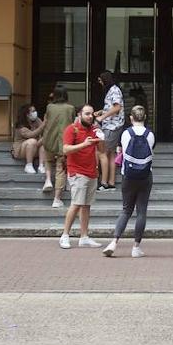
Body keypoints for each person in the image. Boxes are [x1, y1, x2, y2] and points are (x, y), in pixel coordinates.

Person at [104, 106, 156, 258]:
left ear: (131, 118)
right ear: (145, 117)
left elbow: (121, 153)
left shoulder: (125, 133)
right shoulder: (150, 135)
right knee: (141, 212)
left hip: (128, 176)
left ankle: (114, 242)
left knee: (126, 210)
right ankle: (136, 247)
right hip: (146, 176)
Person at [59, 105, 104, 249]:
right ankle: (65, 235)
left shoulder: (93, 129)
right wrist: (84, 144)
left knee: (86, 205)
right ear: (79, 115)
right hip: (77, 172)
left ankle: (84, 236)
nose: (90, 116)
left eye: (91, 114)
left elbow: (102, 151)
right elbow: (66, 149)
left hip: (91, 171)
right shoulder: (71, 129)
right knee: (76, 203)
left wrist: (101, 138)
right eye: (87, 114)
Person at [40, 86, 74, 205]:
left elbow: (46, 121)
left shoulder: (49, 107)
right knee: (61, 169)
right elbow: (72, 124)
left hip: (49, 140)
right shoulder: (70, 108)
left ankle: (48, 180)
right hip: (64, 142)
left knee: (48, 162)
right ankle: (57, 199)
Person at [95, 70, 125, 191]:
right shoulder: (113, 90)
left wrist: (102, 117)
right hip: (113, 125)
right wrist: (101, 111)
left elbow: (117, 107)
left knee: (103, 153)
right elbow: (111, 107)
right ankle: (111, 182)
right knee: (111, 154)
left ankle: (104, 182)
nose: (100, 83)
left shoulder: (114, 90)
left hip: (112, 126)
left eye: (100, 80)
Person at [11, 103, 46, 175]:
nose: (35, 113)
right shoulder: (20, 126)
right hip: (21, 150)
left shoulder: (37, 120)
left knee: (44, 142)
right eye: (32, 111)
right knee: (32, 141)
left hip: (35, 147)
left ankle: (41, 166)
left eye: (35, 111)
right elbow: (31, 135)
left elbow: (45, 130)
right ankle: (29, 165)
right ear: (26, 114)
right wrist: (43, 124)